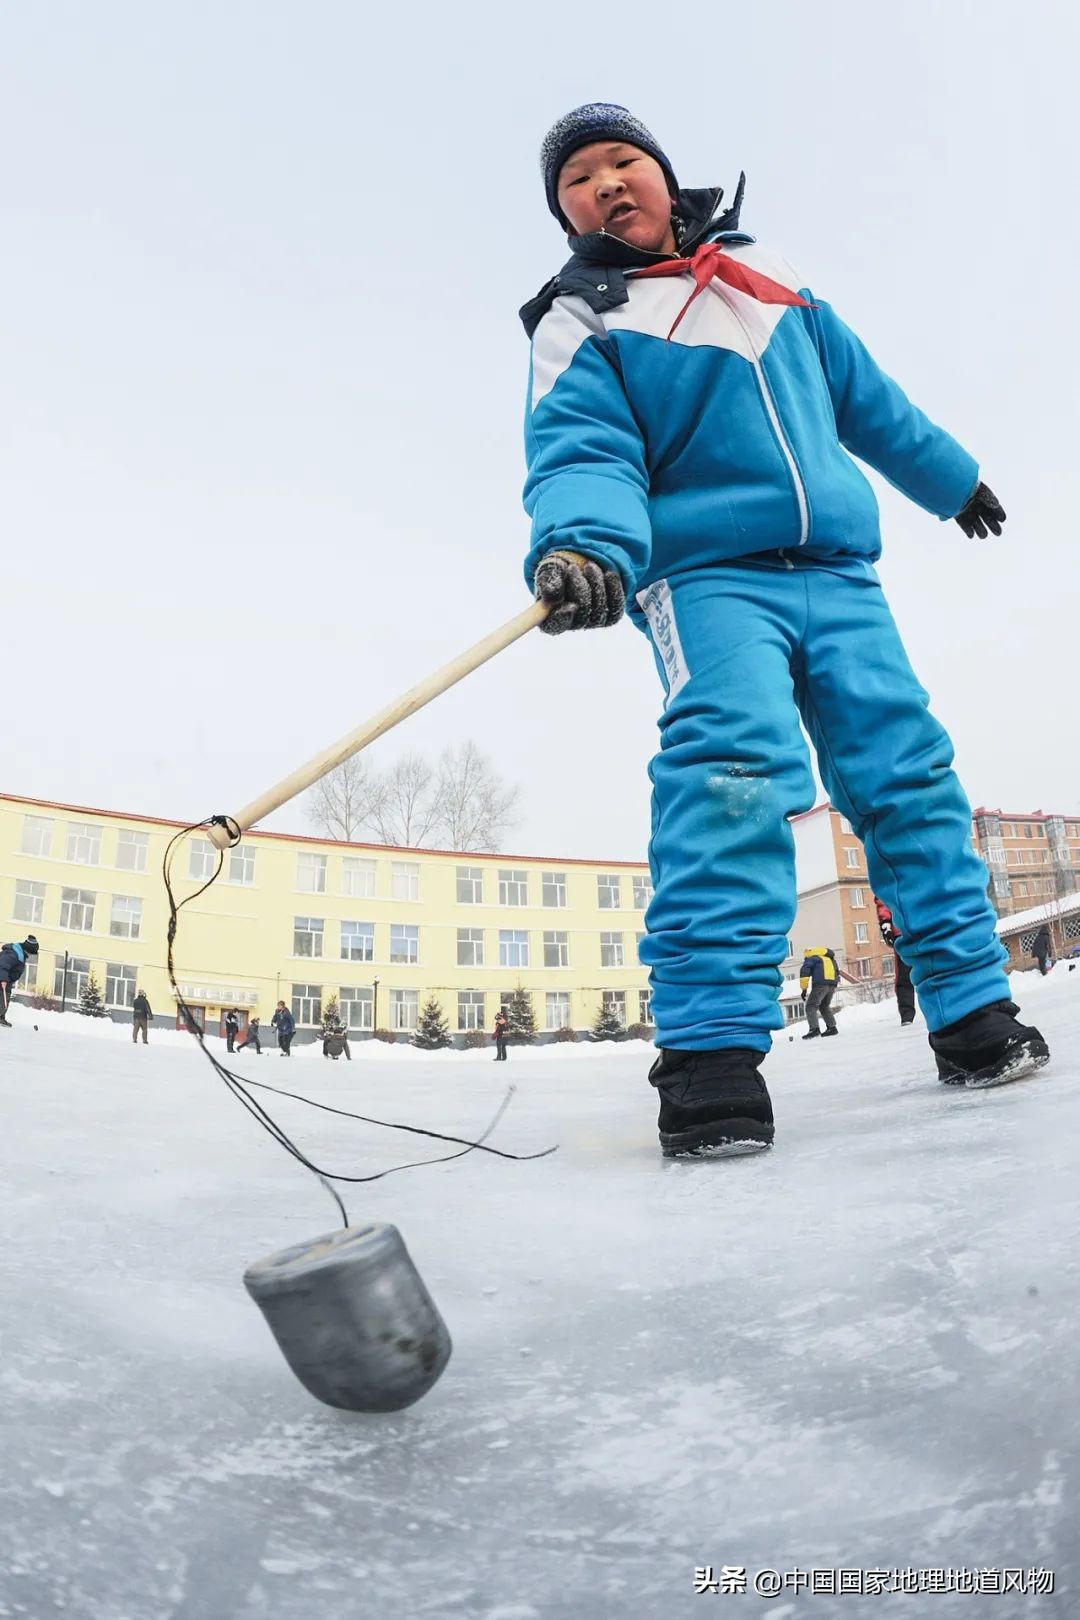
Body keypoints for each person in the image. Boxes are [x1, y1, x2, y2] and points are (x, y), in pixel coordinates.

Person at [521, 102, 1049, 1155]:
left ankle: (972, 1010)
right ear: (566, 214)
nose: (609, 181)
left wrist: (950, 480)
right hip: (706, 579)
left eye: (626, 160)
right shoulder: (584, 317)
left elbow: (873, 405)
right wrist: (583, 546)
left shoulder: (779, 296)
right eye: (580, 177)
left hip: (840, 575)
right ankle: (712, 1052)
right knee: (736, 767)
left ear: (670, 181)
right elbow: (583, 447)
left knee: (906, 769)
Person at [875, 898, 916, 1026]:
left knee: (935, 968)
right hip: (902, 933)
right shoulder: (889, 879)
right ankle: (907, 1014)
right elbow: (883, 899)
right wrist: (885, 923)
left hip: (923, 927)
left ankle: (944, 1007)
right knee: (904, 976)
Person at [798, 948, 839, 1039]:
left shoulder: (812, 959)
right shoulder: (830, 959)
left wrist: (804, 989)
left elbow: (804, 972)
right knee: (824, 1006)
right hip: (832, 985)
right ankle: (832, 1028)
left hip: (820, 985)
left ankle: (814, 1029)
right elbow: (837, 972)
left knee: (811, 1006)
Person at [0, 936, 39, 1026]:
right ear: (28, 949)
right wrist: (3, 979)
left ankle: (1, 1017)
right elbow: (2, 965)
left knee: (5, 996)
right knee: (3, 996)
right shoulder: (13, 954)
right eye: (31, 953)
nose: (30, 955)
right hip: (3, 978)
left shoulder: (20, 954)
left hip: (7, 979)